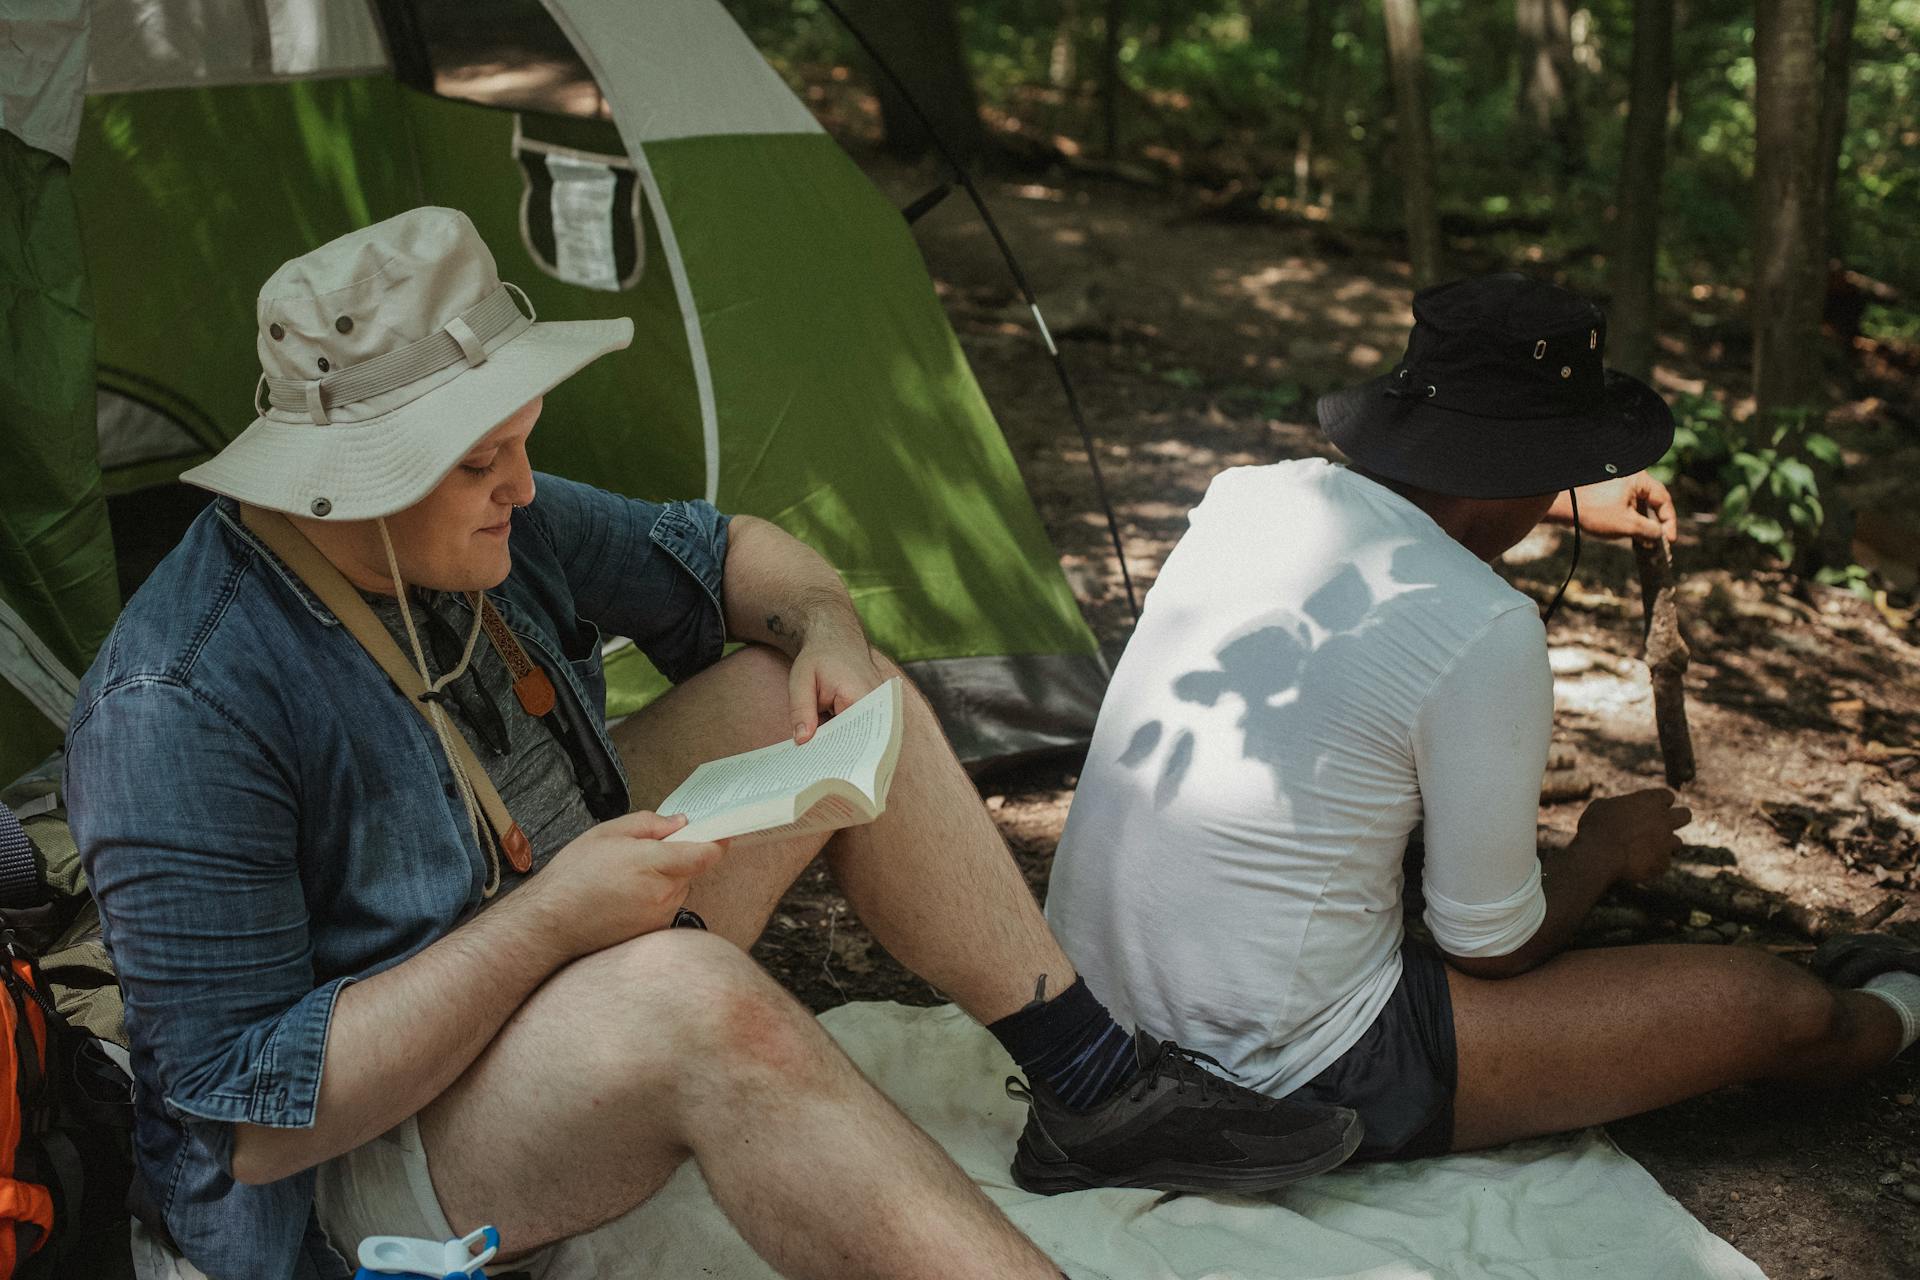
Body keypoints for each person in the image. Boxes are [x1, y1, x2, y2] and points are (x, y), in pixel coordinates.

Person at [67, 207, 1359, 1280]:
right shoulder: (180, 700)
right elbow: (245, 1127)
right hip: (364, 1168)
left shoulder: (465, 520)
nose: (521, 487)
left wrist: (835, 631)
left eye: (521, 446)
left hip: (551, 944)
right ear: (348, 473)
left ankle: (1092, 1084)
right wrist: (556, 923)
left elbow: (735, 556)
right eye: (482, 464)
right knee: (701, 1010)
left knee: (804, 692)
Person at [1044, 273, 1920, 1167]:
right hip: (1270, 1068)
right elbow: (1492, 950)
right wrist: (1602, 852)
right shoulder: (1485, 624)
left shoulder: (1245, 498)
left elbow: (1427, 513)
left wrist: (1560, 499)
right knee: (1783, 1012)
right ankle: (1899, 1007)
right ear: (1523, 473)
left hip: (1090, 1018)